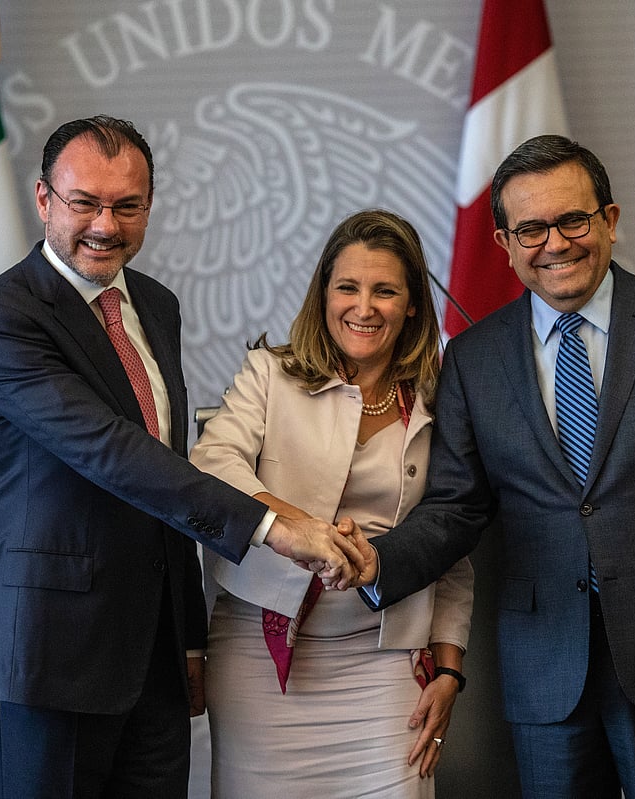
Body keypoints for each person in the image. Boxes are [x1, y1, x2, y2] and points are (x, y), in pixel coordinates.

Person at [333, 135, 635, 798]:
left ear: (611, 219)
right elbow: (458, 506)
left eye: (574, 220)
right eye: (532, 228)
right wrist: (379, 561)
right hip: (544, 670)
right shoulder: (475, 358)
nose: (557, 243)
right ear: (504, 244)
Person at [0, 115, 363, 799]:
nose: (106, 225)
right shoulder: (4, 317)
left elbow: (164, 476)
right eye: (85, 202)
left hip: (153, 664)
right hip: (47, 659)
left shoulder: (154, 304)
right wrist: (274, 523)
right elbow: (115, 453)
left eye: (128, 205)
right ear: (43, 199)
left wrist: (189, 639)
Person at [189, 209, 474, 798]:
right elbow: (212, 467)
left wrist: (449, 669)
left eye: (385, 291)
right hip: (258, 659)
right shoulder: (269, 373)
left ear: (413, 303)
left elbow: (450, 541)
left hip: (386, 664)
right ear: (323, 295)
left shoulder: (443, 398)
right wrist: (302, 530)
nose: (363, 307)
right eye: (347, 287)